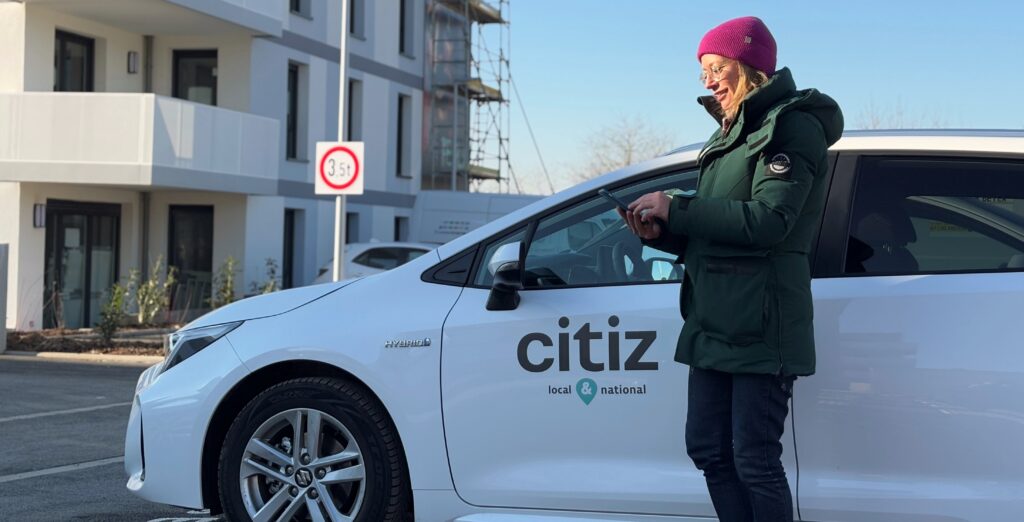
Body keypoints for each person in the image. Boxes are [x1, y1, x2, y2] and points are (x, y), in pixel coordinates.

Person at [618, 16, 843, 522]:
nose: (709, 80)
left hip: (761, 324)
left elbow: (769, 221)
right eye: (703, 73)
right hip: (715, 319)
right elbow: (721, 228)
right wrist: (667, 232)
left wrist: (677, 207)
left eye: (717, 67)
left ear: (750, 64)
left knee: (754, 460)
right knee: (709, 450)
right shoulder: (728, 137)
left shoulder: (791, 127)